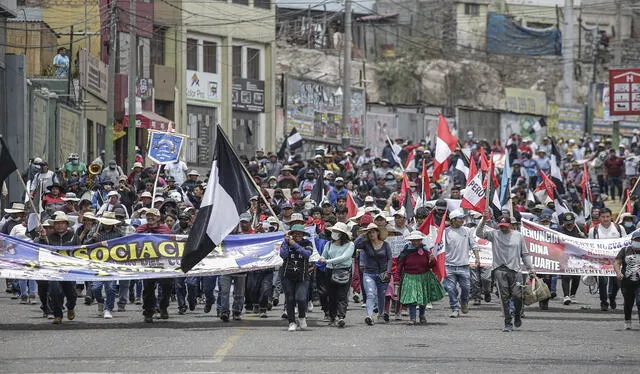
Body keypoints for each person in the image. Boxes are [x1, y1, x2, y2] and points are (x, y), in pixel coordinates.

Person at [476, 215, 535, 332]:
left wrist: (531, 268)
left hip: (515, 270)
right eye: (501, 226)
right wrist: (483, 220)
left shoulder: (518, 236)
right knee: (504, 297)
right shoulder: (494, 234)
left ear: (511, 225)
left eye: (506, 226)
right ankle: (507, 322)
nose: (503, 228)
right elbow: (479, 233)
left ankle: (517, 314)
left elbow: (525, 254)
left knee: (518, 296)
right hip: (500, 270)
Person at [38, 212, 79, 324]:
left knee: (72, 294)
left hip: (69, 271)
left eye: (62, 223)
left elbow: (80, 252)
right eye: (57, 223)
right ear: (54, 225)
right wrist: (41, 238)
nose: (60, 225)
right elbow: (39, 247)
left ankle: (70, 307)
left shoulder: (74, 237)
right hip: (54, 270)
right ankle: (58, 314)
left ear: (67, 225)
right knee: (54, 291)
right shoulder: (49, 237)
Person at [398, 231, 446, 325]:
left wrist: (432, 260)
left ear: (421, 240)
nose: (415, 242)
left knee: (422, 298)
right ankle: (412, 318)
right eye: (413, 240)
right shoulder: (406, 252)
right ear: (410, 241)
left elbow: (431, 265)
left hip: (423, 277)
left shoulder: (426, 251)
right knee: (412, 299)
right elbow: (400, 265)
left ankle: (422, 315)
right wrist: (397, 277)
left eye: (417, 240)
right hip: (410, 277)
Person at [136, 208, 173, 322]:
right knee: (148, 289)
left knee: (166, 287)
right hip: (148, 264)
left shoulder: (165, 229)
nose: (150, 218)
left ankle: (163, 307)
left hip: (163, 263)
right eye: (148, 216)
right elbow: (134, 238)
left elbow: (171, 243)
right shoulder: (142, 229)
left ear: (158, 218)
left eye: (153, 216)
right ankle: (148, 311)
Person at [86, 212, 123, 319]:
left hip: (112, 263)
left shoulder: (118, 233)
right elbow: (86, 245)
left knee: (111, 288)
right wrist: (93, 238)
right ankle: (100, 302)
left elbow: (124, 247)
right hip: (98, 264)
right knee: (95, 288)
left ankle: (108, 308)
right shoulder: (95, 230)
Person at [280, 224, 316, 332]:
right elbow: (283, 255)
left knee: (301, 298)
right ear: (292, 234)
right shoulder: (286, 243)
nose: (298, 235)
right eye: (295, 233)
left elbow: (306, 254)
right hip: (287, 275)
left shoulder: (307, 243)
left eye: (300, 233)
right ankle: (291, 322)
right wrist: (286, 243)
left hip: (302, 276)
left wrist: (294, 244)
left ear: (303, 234)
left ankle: (302, 317)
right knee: (290, 299)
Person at [317, 222, 355, 328]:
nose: (334, 233)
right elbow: (323, 256)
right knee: (331, 295)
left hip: (343, 271)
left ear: (342, 234)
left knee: (342, 295)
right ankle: (332, 317)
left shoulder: (350, 245)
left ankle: (341, 317)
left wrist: (328, 261)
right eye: (334, 231)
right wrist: (321, 259)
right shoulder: (328, 244)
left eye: (337, 232)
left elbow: (345, 257)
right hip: (330, 271)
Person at [443, 209, 479, 318]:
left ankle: (464, 302)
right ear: (453, 220)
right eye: (459, 219)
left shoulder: (467, 231)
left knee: (466, 288)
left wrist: (477, 258)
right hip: (449, 266)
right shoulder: (445, 232)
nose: (462, 220)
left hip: (464, 266)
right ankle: (455, 308)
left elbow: (473, 244)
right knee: (450, 288)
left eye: (463, 218)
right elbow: (440, 247)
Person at [588, 207, 626, 311]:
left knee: (616, 282)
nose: (605, 219)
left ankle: (612, 297)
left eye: (608, 216)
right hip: (601, 262)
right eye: (603, 217)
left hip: (616, 262)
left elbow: (625, 243)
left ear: (611, 217)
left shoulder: (619, 228)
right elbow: (589, 246)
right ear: (599, 218)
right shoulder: (594, 231)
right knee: (602, 282)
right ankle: (603, 302)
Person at [358, 223, 392, 326]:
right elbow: (354, 245)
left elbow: (390, 258)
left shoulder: (385, 244)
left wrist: (388, 272)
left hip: (382, 273)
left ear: (377, 232)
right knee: (370, 294)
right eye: (369, 232)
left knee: (381, 294)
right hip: (369, 273)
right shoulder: (365, 244)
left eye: (373, 232)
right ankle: (369, 315)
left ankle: (381, 314)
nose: (371, 234)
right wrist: (362, 235)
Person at [556, 212, 585, 306]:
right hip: (564, 255)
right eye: (567, 223)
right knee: (566, 275)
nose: (569, 225)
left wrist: (584, 237)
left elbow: (588, 242)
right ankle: (566, 296)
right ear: (563, 222)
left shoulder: (579, 228)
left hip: (577, 256)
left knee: (576, 276)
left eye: (571, 222)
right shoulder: (559, 230)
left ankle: (573, 295)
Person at [614, 230, 640, 330]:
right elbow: (617, 262)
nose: (638, 242)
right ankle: (627, 320)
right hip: (627, 282)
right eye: (636, 240)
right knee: (628, 302)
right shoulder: (625, 250)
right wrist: (618, 273)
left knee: (639, 301)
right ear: (632, 240)